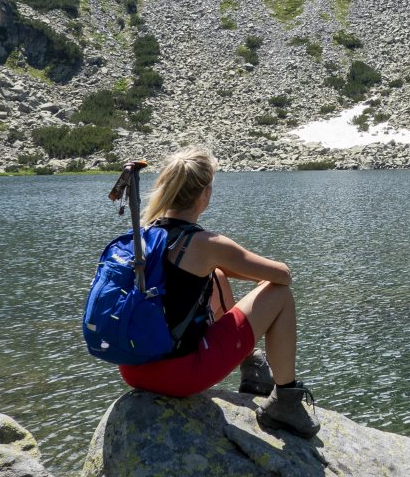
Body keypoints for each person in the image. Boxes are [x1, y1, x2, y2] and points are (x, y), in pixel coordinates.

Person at [116, 146, 320, 438]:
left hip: (133, 369)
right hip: (179, 377)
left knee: (217, 273)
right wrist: (243, 269)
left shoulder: (145, 235)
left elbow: (207, 268)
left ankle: (252, 365)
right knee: (279, 293)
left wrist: (218, 264)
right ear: (205, 195)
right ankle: (286, 402)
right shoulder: (206, 244)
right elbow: (282, 275)